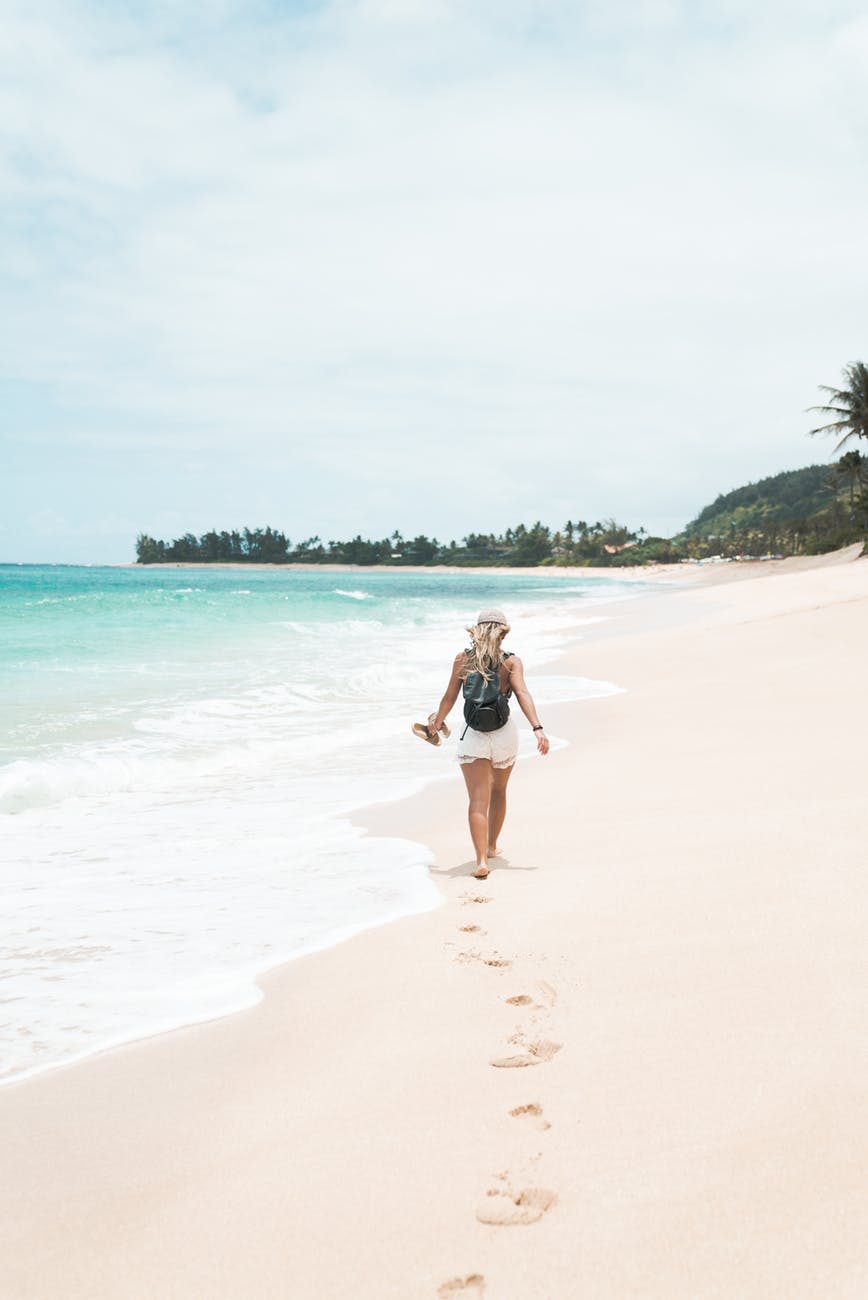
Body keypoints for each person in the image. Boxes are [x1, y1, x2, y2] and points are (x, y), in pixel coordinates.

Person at [426, 608, 549, 879]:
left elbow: (449, 698)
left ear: (477, 632)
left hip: (474, 735)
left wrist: (436, 723)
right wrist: (537, 728)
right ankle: (492, 846)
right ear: (502, 633)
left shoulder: (462, 659)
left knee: (477, 801)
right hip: (504, 734)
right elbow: (522, 693)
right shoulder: (511, 662)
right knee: (499, 791)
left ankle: (481, 860)